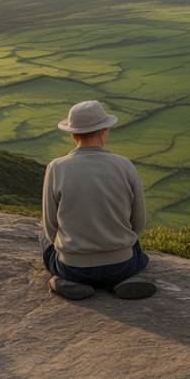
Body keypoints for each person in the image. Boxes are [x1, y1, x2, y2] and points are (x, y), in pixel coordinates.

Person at [41, 100, 155, 300]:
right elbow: (138, 221)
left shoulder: (56, 168)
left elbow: (50, 226)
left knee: (42, 238)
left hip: (73, 267)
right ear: (103, 132)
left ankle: (64, 281)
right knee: (135, 250)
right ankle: (120, 281)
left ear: (73, 134)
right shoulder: (125, 165)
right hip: (122, 264)